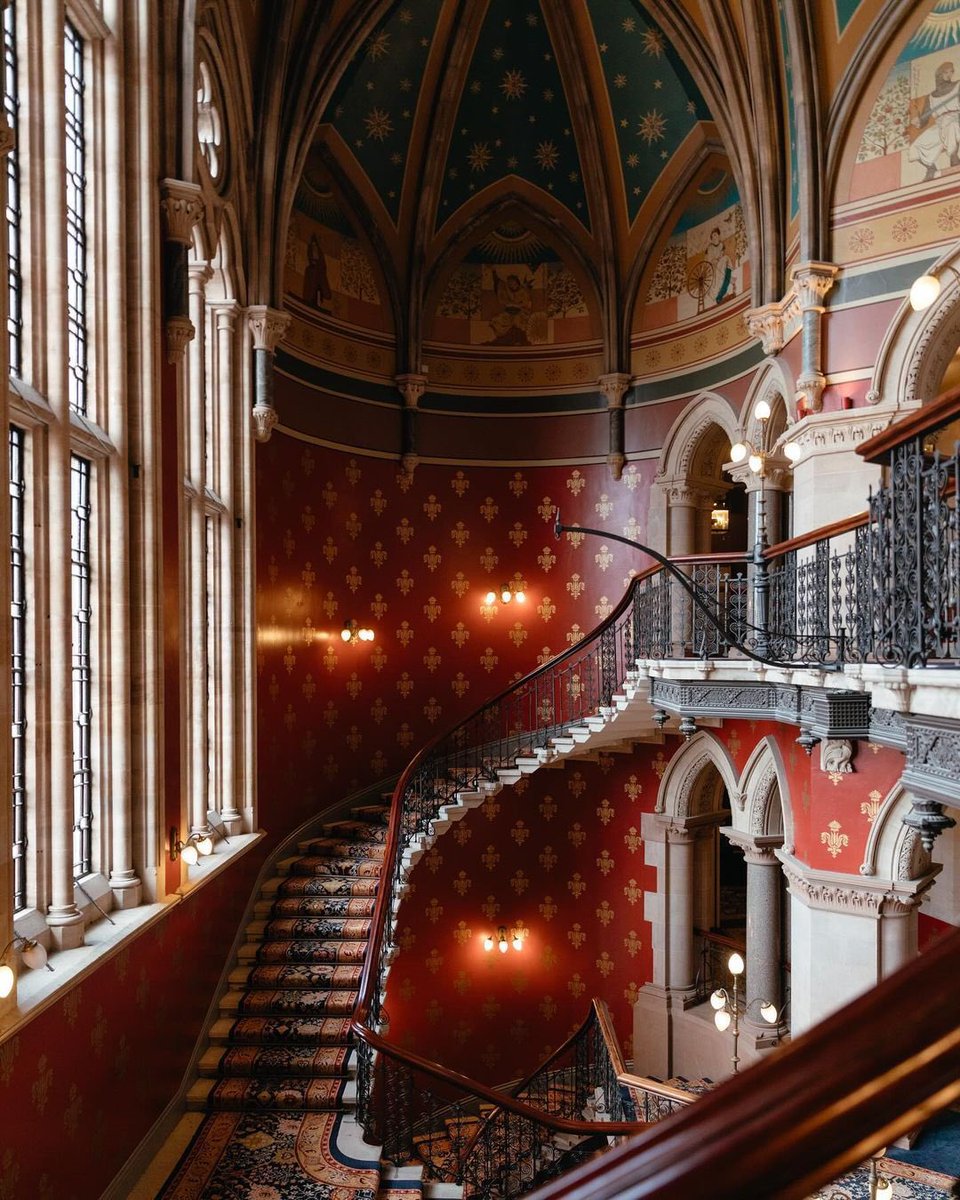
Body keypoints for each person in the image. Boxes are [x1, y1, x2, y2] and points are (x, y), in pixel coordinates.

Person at [909, 61, 960, 181]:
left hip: (956, 118)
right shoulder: (931, 97)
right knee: (916, 146)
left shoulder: (958, 86)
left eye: (951, 71)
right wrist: (918, 121)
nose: (949, 75)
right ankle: (931, 168)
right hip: (940, 124)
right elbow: (925, 119)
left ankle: (954, 157)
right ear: (939, 75)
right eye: (946, 72)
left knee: (951, 126)